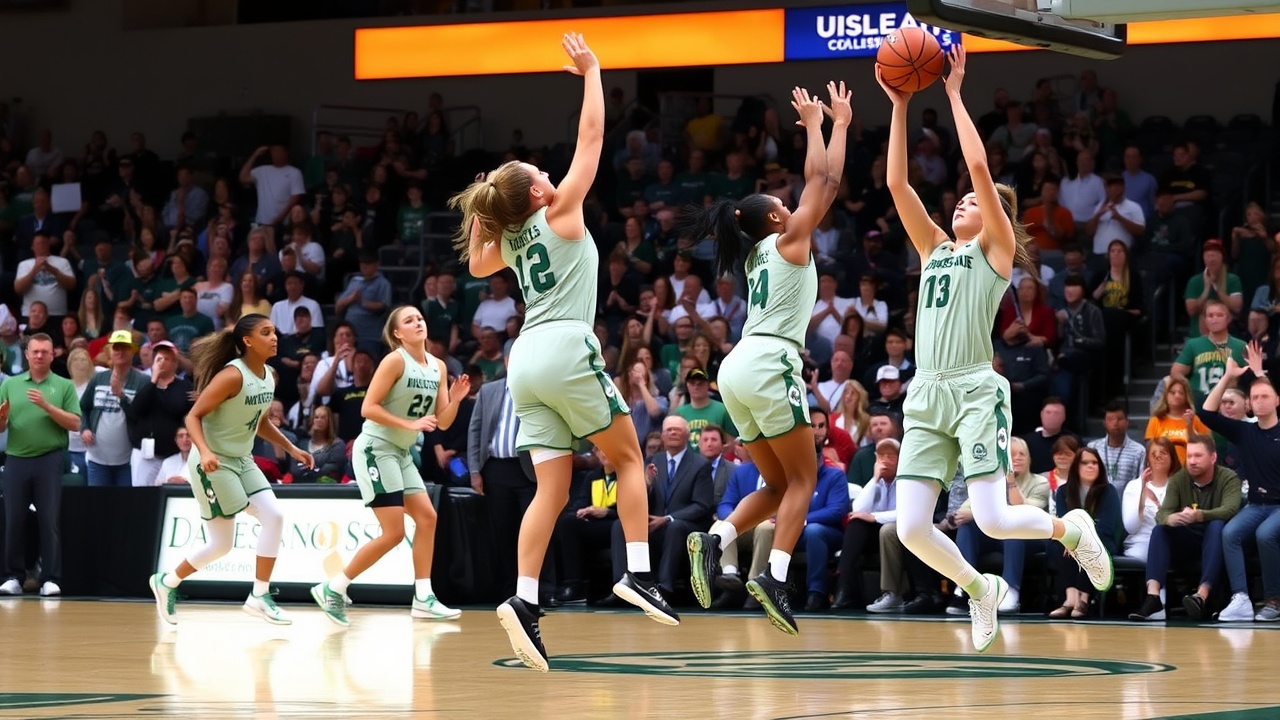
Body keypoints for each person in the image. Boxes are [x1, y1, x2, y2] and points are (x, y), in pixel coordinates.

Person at [865, 45, 1112, 652]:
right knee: (912, 528)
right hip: (927, 392)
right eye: (961, 200)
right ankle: (980, 589)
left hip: (975, 388)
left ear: (996, 215)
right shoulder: (934, 248)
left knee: (996, 519)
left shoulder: (994, 252)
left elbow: (978, 166)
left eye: (974, 201)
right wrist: (898, 104)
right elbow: (896, 182)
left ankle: (1071, 531)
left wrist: (952, 95)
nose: (962, 201)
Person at [448, 35, 677, 673]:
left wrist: (484, 209)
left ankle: (523, 599)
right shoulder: (561, 212)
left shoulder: (513, 239)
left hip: (523, 362)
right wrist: (593, 72)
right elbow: (593, 137)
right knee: (627, 457)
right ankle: (637, 573)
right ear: (538, 195)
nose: (552, 177)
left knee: (549, 488)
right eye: (542, 176)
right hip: (565, 346)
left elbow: (475, 261)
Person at [684, 80, 851, 636]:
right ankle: (775, 576)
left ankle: (716, 539)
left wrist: (821, 126)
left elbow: (819, 184)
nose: (790, 204)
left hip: (737, 367)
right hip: (770, 360)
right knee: (805, 477)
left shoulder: (758, 250)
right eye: (783, 204)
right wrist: (828, 125)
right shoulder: (789, 239)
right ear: (778, 220)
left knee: (775, 484)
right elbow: (825, 180)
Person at [147, 314, 315, 626]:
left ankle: (258, 595)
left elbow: (259, 421)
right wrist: (205, 451)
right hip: (213, 463)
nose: (274, 337)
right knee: (222, 544)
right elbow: (193, 417)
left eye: (274, 332)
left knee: (272, 517)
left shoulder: (267, 376)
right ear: (247, 341)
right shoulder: (232, 376)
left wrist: (292, 448)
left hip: (241, 459)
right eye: (266, 332)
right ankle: (168, 582)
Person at [311, 306, 469, 626]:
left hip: (401, 452)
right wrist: (409, 425)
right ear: (397, 333)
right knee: (394, 532)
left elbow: (442, 421)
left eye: (420, 318)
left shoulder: (438, 366)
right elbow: (368, 408)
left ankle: (423, 597)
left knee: (427, 518)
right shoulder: (395, 361)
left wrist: (455, 399)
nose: (418, 322)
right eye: (409, 320)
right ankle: (333, 586)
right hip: (376, 449)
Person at [0, 334, 82, 597]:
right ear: (26, 354)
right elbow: (0, 426)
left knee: (49, 520)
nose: (39, 356)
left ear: (52, 355)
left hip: (49, 459)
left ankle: (51, 578)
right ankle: (13, 577)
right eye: (35, 351)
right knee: (14, 520)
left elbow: (75, 423)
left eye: (44, 352)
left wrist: (46, 406)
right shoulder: (10, 384)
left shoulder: (64, 385)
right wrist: (1, 419)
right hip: (16, 459)